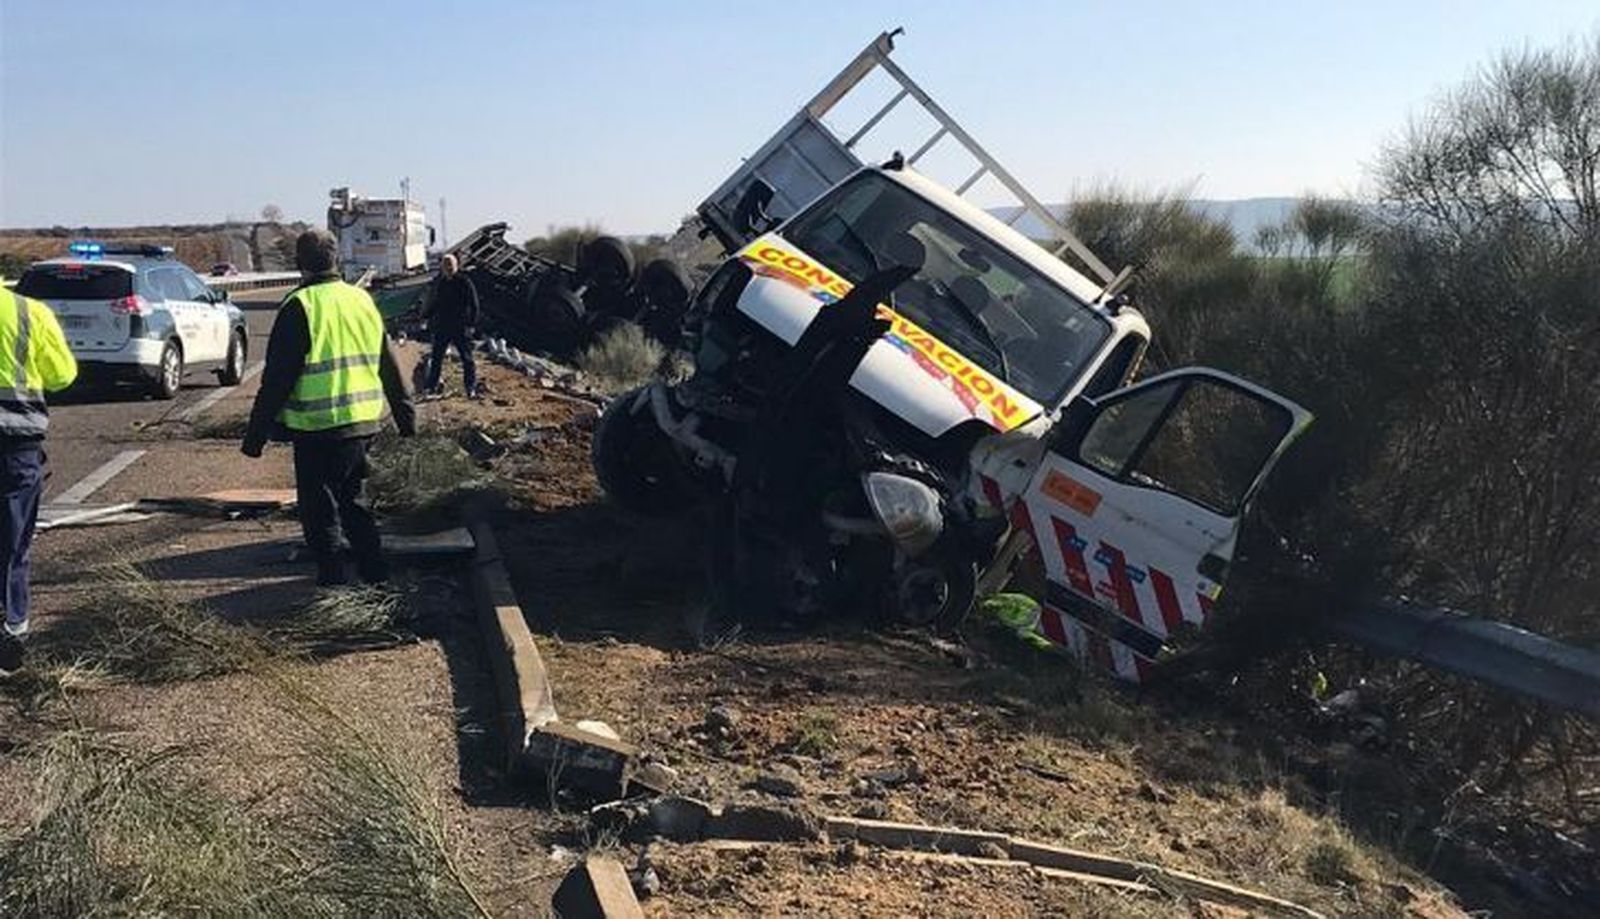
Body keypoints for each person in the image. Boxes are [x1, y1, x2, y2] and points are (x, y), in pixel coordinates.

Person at [242, 230, 416, 586]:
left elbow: (277, 379)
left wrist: (256, 435)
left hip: (317, 427)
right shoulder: (362, 301)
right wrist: (406, 418)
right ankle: (375, 577)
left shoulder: (300, 306)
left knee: (320, 510)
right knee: (356, 503)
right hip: (363, 423)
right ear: (336, 259)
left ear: (299, 264)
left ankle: (333, 581)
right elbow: (390, 365)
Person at [0, 282, 78, 676]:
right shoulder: (30, 313)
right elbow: (63, 374)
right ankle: (11, 631)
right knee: (12, 542)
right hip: (16, 446)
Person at [421, 253, 480, 397]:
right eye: (445, 265)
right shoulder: (441, 283)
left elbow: (474, 304)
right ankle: (431, 387)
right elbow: (436, 303)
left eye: (450, 265)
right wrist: (425, 316)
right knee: (436, 358)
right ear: (442, 267)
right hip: (443, 326)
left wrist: (471, 324)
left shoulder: (464, 281)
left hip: (460, 326)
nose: (448, 267)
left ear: (456, 266)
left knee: (467, 359)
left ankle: (470, 388)